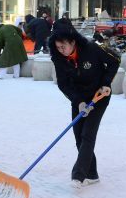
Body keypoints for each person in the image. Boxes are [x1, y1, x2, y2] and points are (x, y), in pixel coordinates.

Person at [49, 18, 119, 188]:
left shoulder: (91, 48)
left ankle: (78, 175)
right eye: (58, 47)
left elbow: (114, 61)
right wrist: (79, 102)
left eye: (64, 46)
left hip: (99, 96)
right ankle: (92, 174)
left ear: (73, 41)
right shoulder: (58, 58)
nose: (62, 50)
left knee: (88, 134)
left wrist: (106, 83)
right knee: (79, 137)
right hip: (78, 98)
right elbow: (63, 84)